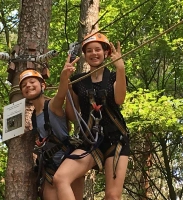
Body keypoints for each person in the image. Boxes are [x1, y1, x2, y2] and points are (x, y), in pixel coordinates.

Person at [53, 32, 130, 200]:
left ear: (106, 53)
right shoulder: (78, 81)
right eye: (89, 51)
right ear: (85, 55)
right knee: (60, 178)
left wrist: (121, 68)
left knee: (112, 196)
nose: (94, 53)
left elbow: (119, 98)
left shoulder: (114, 76)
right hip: (89, 141)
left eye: (98, 50)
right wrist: (65, 83)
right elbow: (73, 115)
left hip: (115, 140)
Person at [18, 55, 84, 200]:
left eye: (32, 82)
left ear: (43, 86)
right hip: (51, 167)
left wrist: (64, 75)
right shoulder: (34, 117)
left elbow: (61, 93)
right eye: (24, 85)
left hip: (69, 162)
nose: (28, 86)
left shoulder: (52, 106)